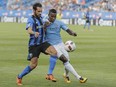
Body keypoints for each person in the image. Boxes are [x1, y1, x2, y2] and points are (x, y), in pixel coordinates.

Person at [16, 3, 58, 86]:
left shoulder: (42, 18)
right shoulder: (30, 19)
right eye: (38, 11)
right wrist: (34, 32)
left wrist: (46, 25)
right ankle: (19, 76)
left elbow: (44, 26)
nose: (40, 13)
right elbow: (29, 30)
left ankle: (49, 74)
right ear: (34, 10)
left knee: (54, 52)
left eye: (41, 11)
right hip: (34, 45)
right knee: (33, 65)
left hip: (42, 43)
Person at [44, 9, 87, 83]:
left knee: (67, 60)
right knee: (64, 59)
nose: (53, 18)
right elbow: (41, 33)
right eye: (51, 16)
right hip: (52, 46)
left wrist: (72, 33)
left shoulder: (59, 22)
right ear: (48, 15)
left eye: (54, 16)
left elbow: (67, 29)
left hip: (61, 44)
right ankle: (79, 78)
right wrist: (44, 26)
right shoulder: (44, 22)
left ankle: (66, 75)